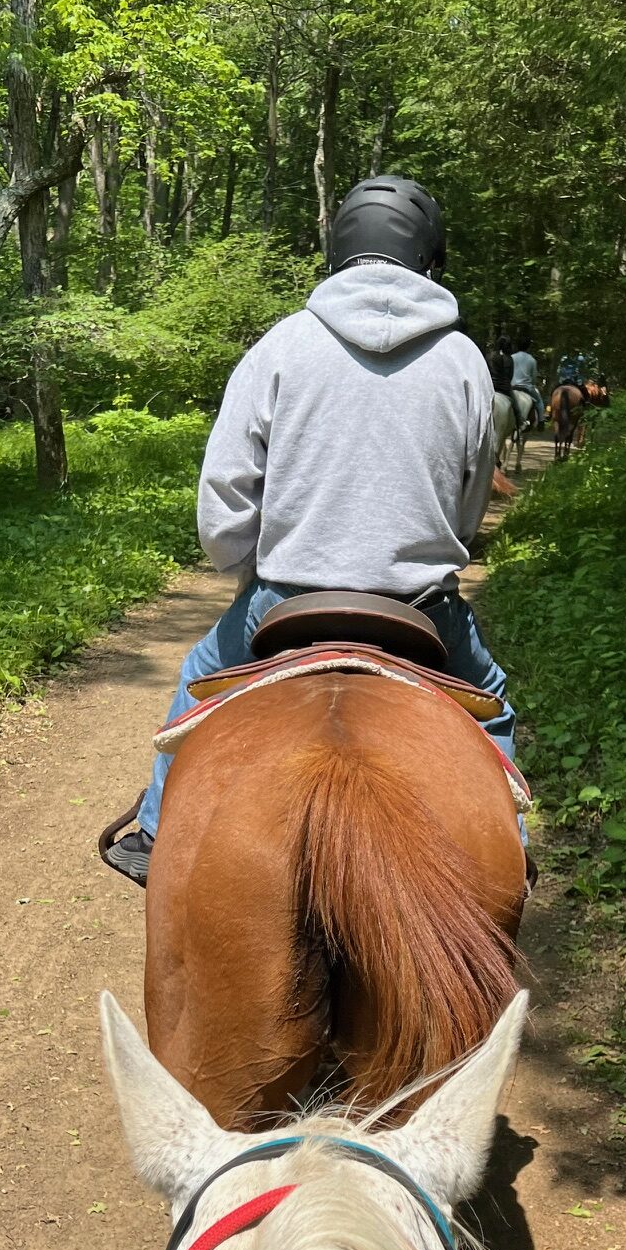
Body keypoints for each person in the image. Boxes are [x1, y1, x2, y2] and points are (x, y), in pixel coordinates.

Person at [103, 174, 517, 887]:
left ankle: (156, 831)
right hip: (420, 612)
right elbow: (470, 506)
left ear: (340, 250)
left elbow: (225, 500)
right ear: (429, 257)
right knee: (495, 705)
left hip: (284, 599)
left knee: (199, 675)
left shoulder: (281, 345)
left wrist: (245, 563)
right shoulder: (465, 361)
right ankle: (510, 851)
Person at [508, 335, 546, 427]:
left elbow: (508, 372)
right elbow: (533, 378)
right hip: (527, 387)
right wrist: (532, 384)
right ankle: (541, 421)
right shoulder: (532, 360)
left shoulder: (512, 357)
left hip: (512, 386)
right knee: (539, 402)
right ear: (528, 347)